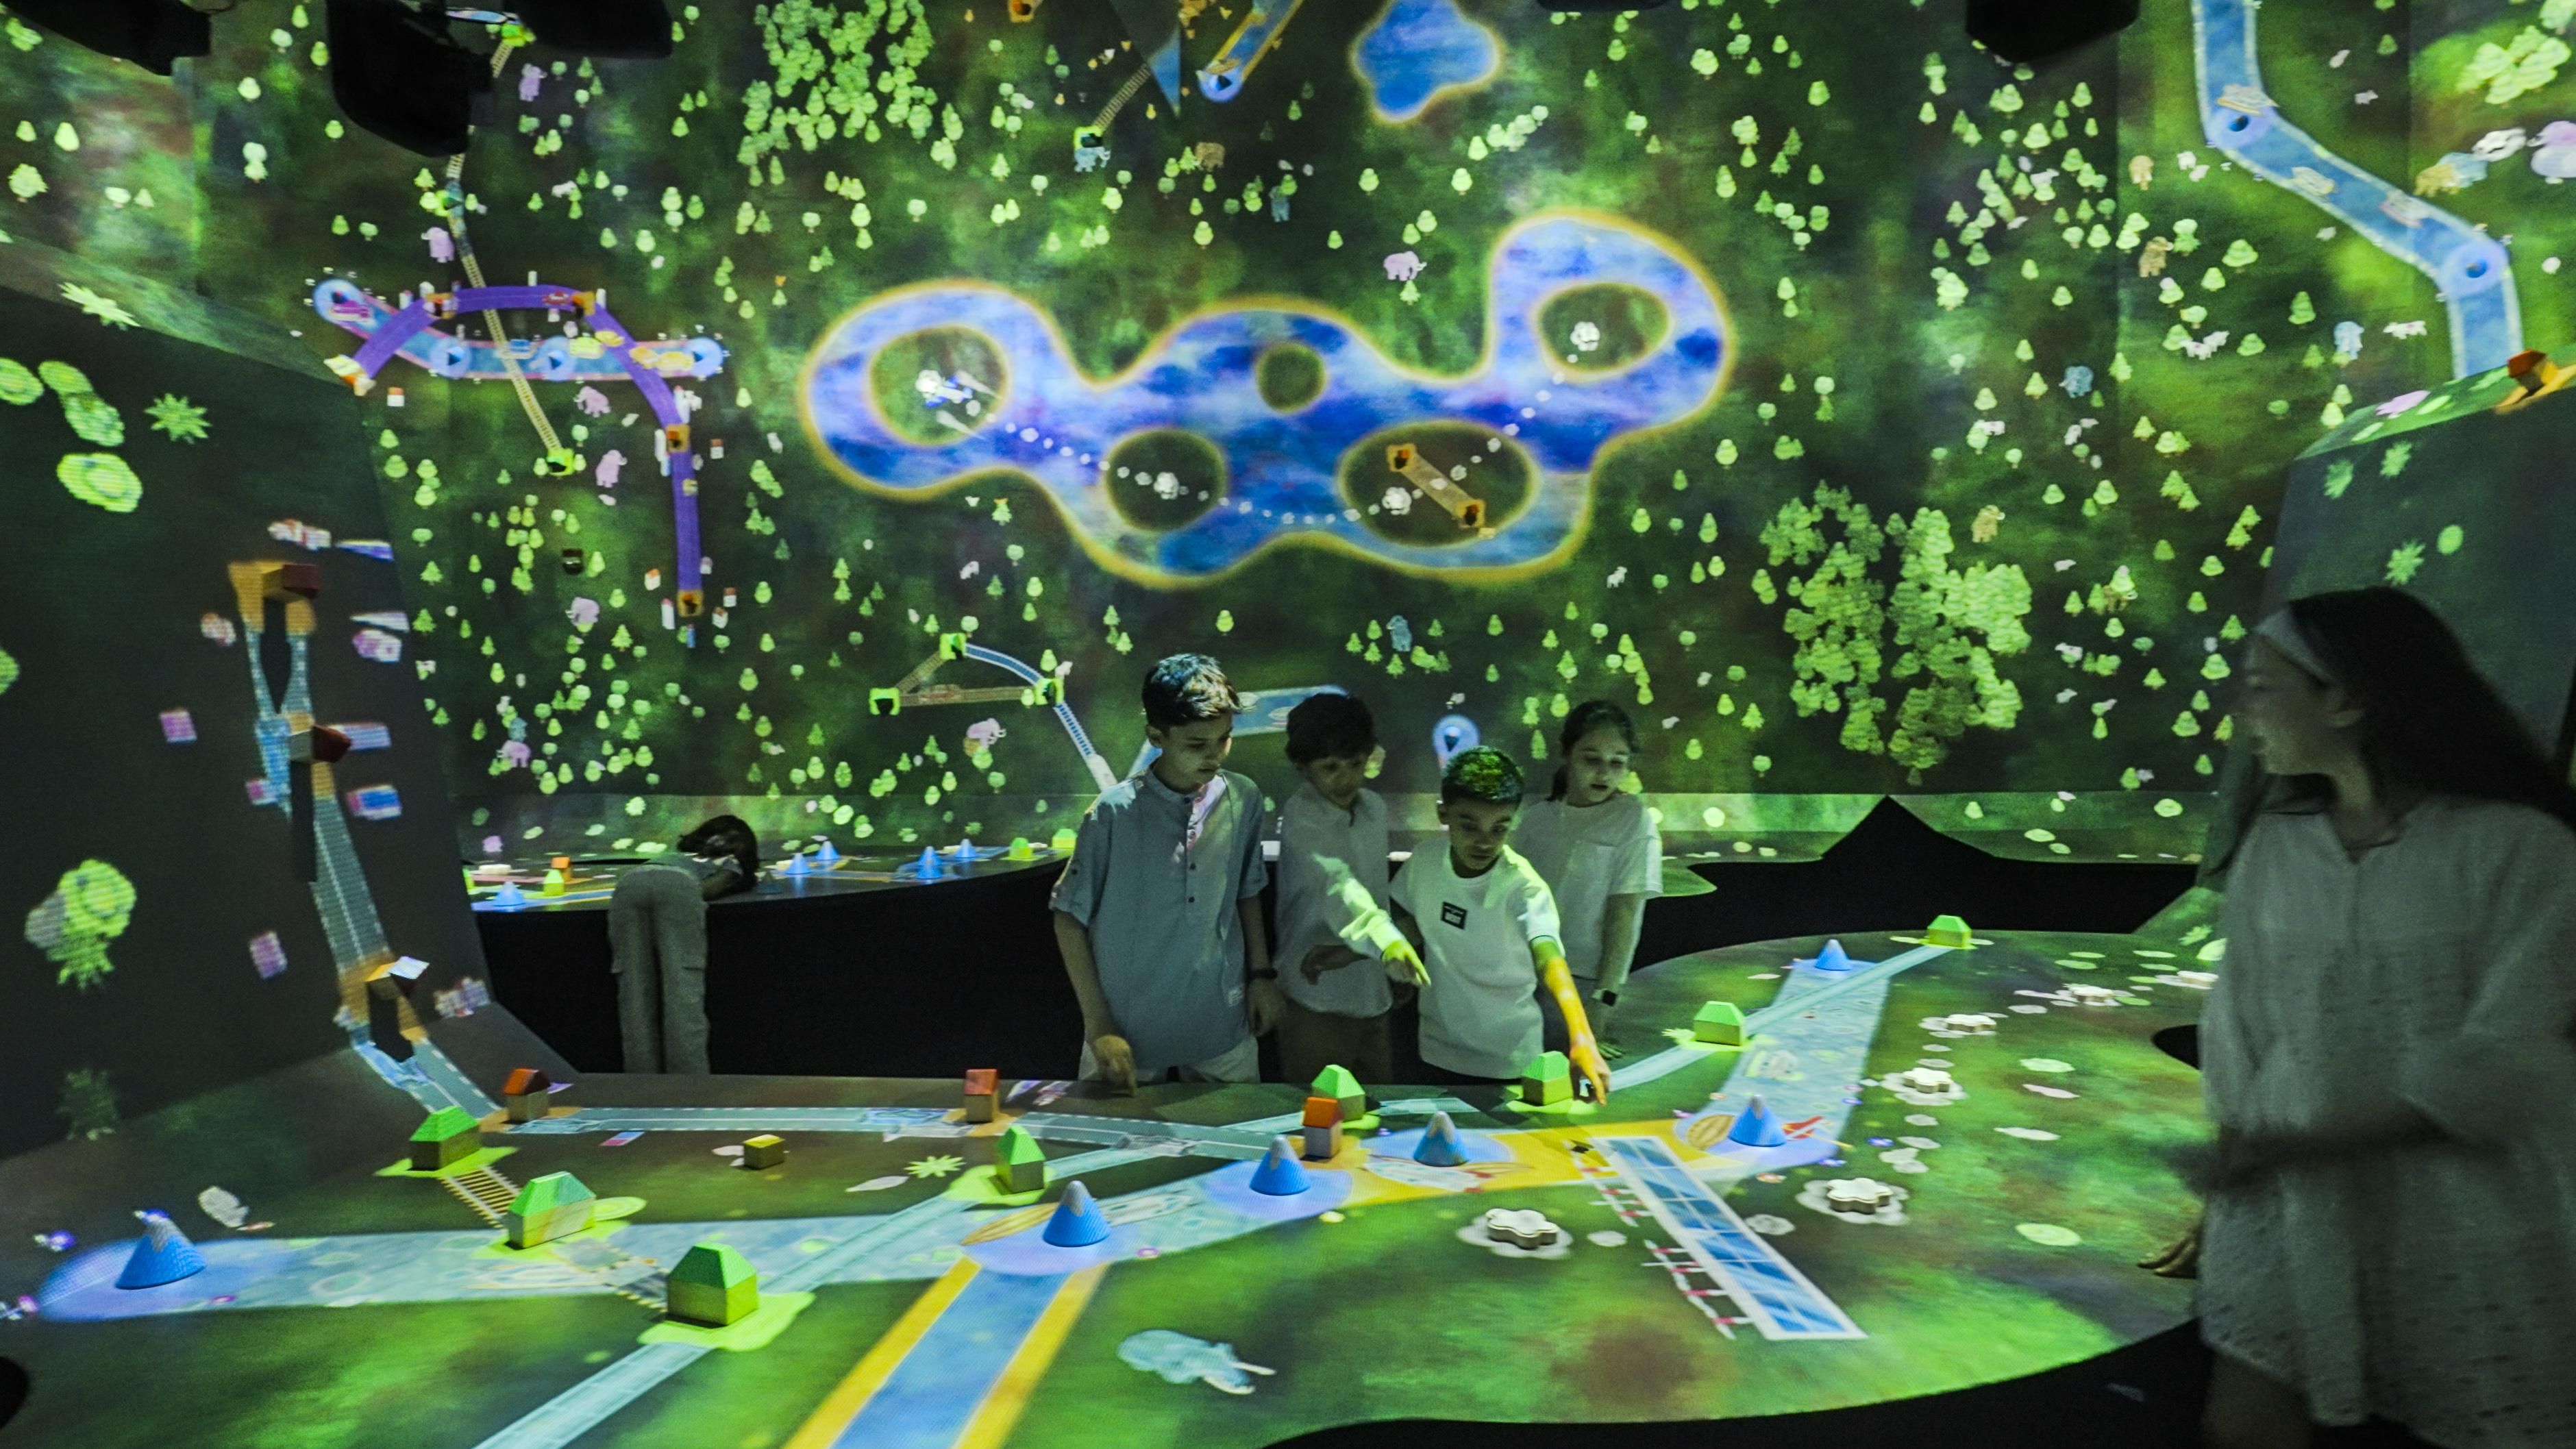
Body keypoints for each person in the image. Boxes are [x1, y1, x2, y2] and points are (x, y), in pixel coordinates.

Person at [2185, 588, 2576, 1449]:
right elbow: (2240, 1023)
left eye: (2262, 686)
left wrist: (2310, 1143)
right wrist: (2236, 1161)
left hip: (2464, 1206)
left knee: (2482, 1413)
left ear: (2346, 698)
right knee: (2246, 1423)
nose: (2244, 711)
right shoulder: (2277, 847)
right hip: (2289, 1198)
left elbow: (2509, 1052)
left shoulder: (2518, 849)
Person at [1052, 654, 1277, 1093]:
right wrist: (1099, 1026)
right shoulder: (1114, 813)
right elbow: (1068, 919)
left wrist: (1262, 976)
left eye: (1225, 739)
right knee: (1115, 1134)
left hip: (1221, 1023)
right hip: (1126, 1034)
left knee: (1236, 1129)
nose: (1214, 755)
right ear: (1156, 735)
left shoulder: (1243, 798)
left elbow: (1246, 893)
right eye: (1196, 744)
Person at [1390, 746, 1611, 1104]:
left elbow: (1550, 961)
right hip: (1435, 1051)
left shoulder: (1523, 887)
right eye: (1469, 826)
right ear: (1443, 814)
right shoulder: (1425, 861)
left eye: (1499, 828)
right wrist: (1356, 953)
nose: (1484, 841)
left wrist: (1582, 1036)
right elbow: (1413, 920)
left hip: (1509, 1063)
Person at [1271, 692, 1427, 1085]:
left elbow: (1374, 892)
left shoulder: (1373, 808)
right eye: (1330, 767)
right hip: (1314, 1000)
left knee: (1377, 1112)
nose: (1347, 779)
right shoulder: (1302, 818)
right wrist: (1387, 943)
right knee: (1315, 1113)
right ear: (1301, 766)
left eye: (1356, 764)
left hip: (1373, 996)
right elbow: (1340, 888)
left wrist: (1387, 966)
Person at [1513, 700, 1663, 1059]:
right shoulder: (1537, 818)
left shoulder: (1633, 819)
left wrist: (1602, 1001)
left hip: (1583, 983)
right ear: (1566, 754)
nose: (1604, 773)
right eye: (1591, 759)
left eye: (1617, 762)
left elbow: (1624, 917)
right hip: (1519, 976)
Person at [610, 815, 760, 1073]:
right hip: (679, 887)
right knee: (682, 988)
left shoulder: (674, 855)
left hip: (628, 884)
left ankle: (640, 1081)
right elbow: (706, 890)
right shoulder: (731, 862)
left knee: (633, 991)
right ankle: (689, 1083)